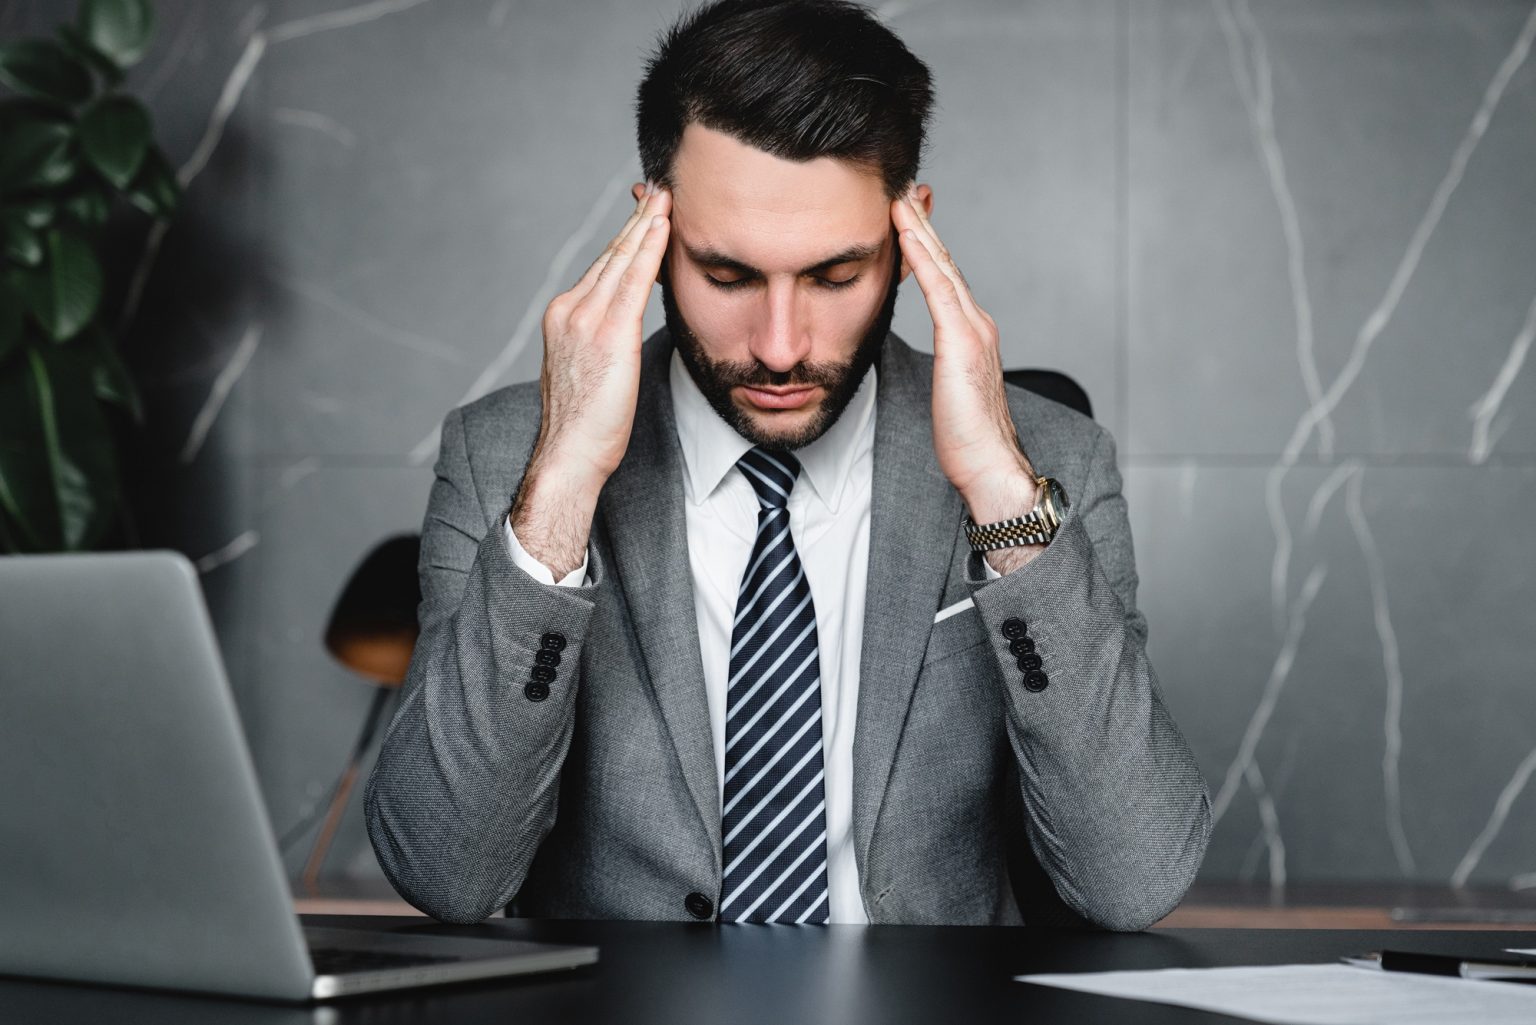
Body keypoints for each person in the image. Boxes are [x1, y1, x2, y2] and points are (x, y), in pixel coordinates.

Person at [365, 0, 1210, 929]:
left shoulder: (1054, 462)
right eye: (727, 276)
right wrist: (563, 486)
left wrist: (1001, 495)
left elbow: (1133, 881)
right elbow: (445, 871)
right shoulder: (503, 457)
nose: (778, 347)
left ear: (910, 238)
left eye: (834, 277)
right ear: (652, 234)